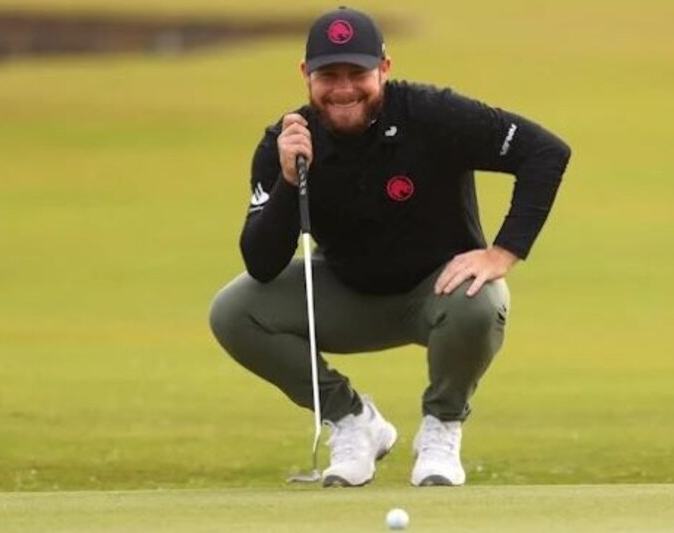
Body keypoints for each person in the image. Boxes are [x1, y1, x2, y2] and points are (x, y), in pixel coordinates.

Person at [209, 6, 571, 487]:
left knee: (482, 301)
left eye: (357, 73)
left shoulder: (432, 114)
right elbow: (262, 263)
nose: (343, 89)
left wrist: (501, 253)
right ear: (305, 75)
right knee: (233, 312)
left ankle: (441, 428)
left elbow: (544, 151)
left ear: (384, 68)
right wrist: (289, 180)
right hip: (346, 292)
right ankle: (354, 422)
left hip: (436, 293)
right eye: (327, 75)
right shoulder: (287, 139)